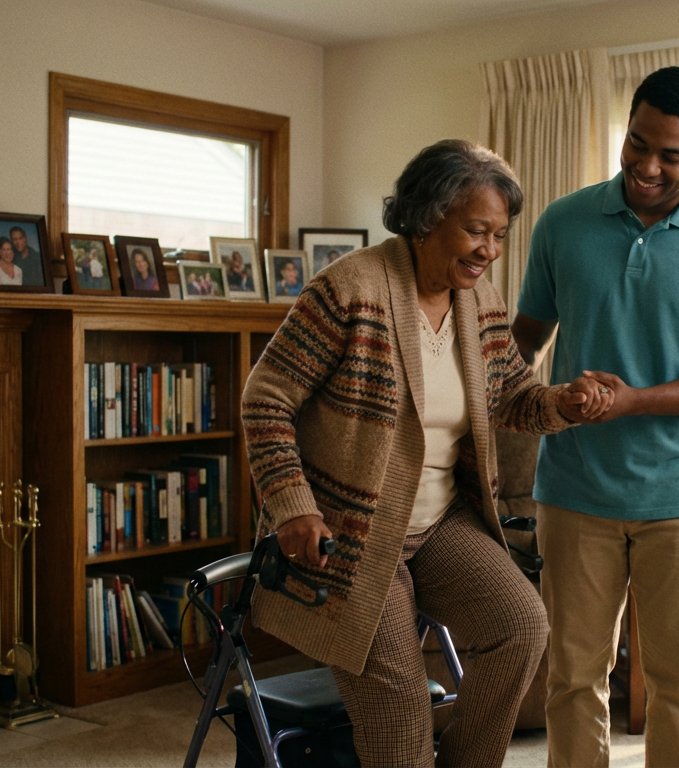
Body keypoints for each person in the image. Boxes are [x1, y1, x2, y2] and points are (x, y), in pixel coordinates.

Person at [241, 138, 615, 767]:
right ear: (427, 215)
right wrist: (293, 507)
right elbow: (266, 397)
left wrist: (564, 404)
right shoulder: (350, 289)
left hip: (439, 522)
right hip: (351, 536)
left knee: (521, 626)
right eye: (475, 230)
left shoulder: (481, 302)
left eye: (499, 235)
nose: (489, 250)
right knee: (399, 706)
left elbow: (511, 399)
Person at [511, 66, 679, 768]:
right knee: (571, 679)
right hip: (573, 489)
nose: (647, 167)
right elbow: (524, 339)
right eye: (637, 144)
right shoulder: (564, 222)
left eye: (671, 155)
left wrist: (631, 401)